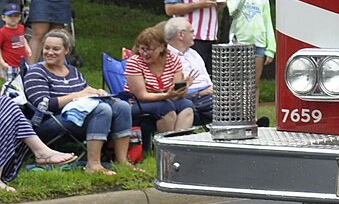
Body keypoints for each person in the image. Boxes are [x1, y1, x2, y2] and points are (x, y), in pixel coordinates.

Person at [24, 29, 135, 173]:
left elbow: (86, 90)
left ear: (67, 51)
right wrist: (78, 95)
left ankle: (122, 161)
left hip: (78, 114)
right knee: (102, 110)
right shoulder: (36, 72)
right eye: (46, 48)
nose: (49, 52)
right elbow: (43, 105)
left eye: (56, 49)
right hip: (50, 121)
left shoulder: (73, 71)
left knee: (122, 106)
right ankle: (93, 165)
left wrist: (97, 92)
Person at [0, 93, 80, 193]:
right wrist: (79, 95)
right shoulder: (35, 77)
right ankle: (40, 152)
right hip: (50, 116)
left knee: (6, 103)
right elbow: (42, 102)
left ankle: (40, 151)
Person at [124, 24, 195, 134]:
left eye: (149, 50)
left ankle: (178, 142)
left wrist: (183, 88)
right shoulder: (134, 62)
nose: (144, 53)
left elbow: (176, 93)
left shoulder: (172, 59)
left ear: (161, 47)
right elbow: (141, 96)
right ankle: (166, 146)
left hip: (166, 99)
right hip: (137, 103)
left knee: (187, 104)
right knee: (165, 107)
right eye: (142, 49)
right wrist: (167, 95)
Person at [227, 0, 277, 84]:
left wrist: (271, 48)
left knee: (254, 83)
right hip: (240, 43)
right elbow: (234, 14)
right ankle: (239, 104)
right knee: (239, 83)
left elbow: (267, 22)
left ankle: (254, 104)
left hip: (258, 43)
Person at [164, 17, 214, 125]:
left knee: (237, 97)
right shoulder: (166, 57)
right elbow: (172, 90)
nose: (194, 35)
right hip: (189, 97)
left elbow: (207, 80)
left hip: (208, 96)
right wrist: (198, 93)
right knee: (227, 106)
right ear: (180, 35)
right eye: (191, 32)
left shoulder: (194, 54)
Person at [1, 3, 27, 79]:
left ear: (20, 17)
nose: (13, 18)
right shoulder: (2, 32)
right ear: (3, 17)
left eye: (16, 16)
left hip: (22, 62)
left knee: (23, 81)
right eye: (10, 16)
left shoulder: (21, 27)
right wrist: (2, 63)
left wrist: (27, 48)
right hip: (10, 64)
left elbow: (22, 38)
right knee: (12, 85)